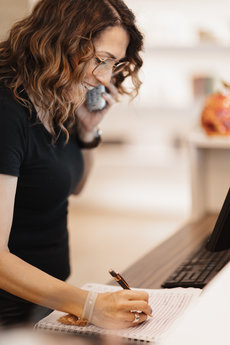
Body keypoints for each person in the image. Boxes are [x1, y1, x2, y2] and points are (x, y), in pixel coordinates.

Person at [0, 0, 152, 329]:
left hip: (46, 299)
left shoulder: (57, 93)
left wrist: (87, 131)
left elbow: (74, 185)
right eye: (101, 60)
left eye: (114, 64)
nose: (104, 78)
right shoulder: (6, 111)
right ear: (57, 42)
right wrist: (90, 304)